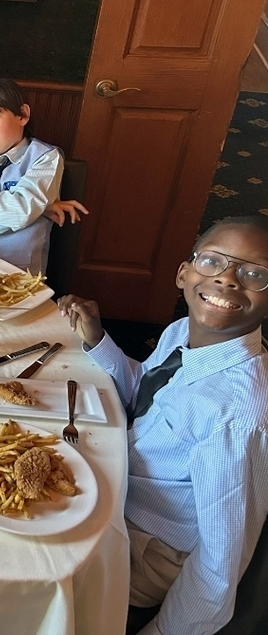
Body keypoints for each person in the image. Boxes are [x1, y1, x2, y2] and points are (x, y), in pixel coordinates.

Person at [58, 215, 268, 635]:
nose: (227, 279)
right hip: (115, 490)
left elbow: (220, 560)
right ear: (183, 274)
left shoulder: (237, 415)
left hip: (145, 549)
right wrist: (100, 340)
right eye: (213, 262)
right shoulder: (182, 333)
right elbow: (144, 396)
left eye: (254, 274)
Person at [0, 77, 87, 273]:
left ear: (23, 115)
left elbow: (21, 212)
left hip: (18, 277)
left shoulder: (45, 158)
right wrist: (35, 213)